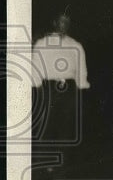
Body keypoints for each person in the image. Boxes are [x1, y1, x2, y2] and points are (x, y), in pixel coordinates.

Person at [31, 12, 89, 158]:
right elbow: (35, 69)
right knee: (46, 125)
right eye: (62, 21)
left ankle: (63, 161)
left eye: (67, 22)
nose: (65, 25)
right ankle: (44, 161)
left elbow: (81, 71)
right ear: (55, 23)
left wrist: (80, 91)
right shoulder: (42, 43)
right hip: (48, 89)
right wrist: (39, 90)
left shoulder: (76, 45)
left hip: (69, 89)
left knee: (67, 126)